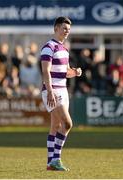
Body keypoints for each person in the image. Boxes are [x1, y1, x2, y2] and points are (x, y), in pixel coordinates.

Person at [40, 17, 82, 171]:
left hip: (62, 90)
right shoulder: (49, 47)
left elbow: (65, 73)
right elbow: (45, 71)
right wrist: (50, 91)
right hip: (53, 90)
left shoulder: (64, 49)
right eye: (64, 28)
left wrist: (75, 72)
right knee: (67, 123)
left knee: (56, 125)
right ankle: (56, 159)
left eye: (69, 30)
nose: (67, 32)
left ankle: (51, 163)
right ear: (56, 28)